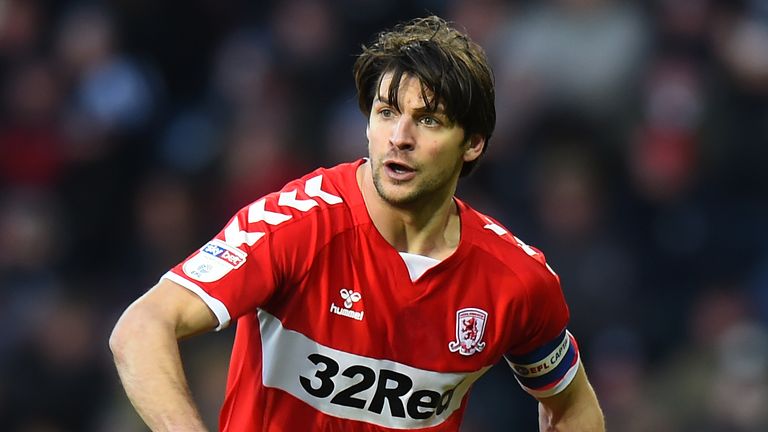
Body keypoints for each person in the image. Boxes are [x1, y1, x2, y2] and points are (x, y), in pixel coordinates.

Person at [109, 15, 605, 431]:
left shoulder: (516, 280)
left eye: (428, 120)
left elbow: (572, 406)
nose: (400, 137)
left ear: (472, 143)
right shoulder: (296, 224)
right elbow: (141, 327)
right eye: (386, 112)